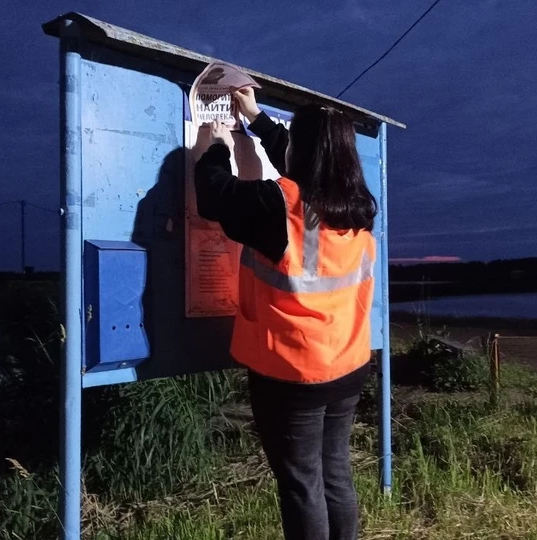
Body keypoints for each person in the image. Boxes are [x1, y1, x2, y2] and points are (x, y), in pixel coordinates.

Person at [194, 87, 377, 540]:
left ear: (304, 150)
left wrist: (215, 143)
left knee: (301, 483)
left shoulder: (279, 206)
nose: (287, 143)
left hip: (293, 374)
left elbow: (215, 194)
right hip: (348, 365)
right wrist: (253, 117)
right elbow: (297, 162)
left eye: (293, 137)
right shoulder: (354, 205)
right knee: (334, 474)